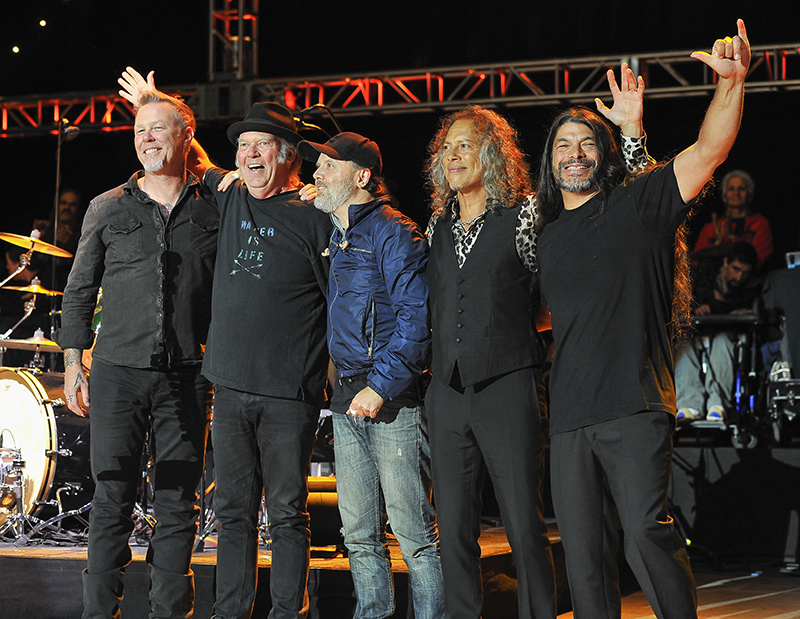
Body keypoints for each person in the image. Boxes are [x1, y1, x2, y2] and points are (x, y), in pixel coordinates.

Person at [535, 20, 750, 619]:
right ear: (550, 163)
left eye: (586, 144)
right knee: (582, 557)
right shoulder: (547, 239)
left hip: (633, 407)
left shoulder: (641, 203)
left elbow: (710, 151)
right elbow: (547, 318)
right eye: (563, 146)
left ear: (604, 155)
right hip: (570, 417)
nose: (575, 154)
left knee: (645, 537)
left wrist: (730, 85)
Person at [119, 67, 331, 618]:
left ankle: (288, 612)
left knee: (286, 513)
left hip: (289, 391)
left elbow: (341, 299)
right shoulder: (229, 193)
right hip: (231, 388)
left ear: (289, 155)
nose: (250, 154)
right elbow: (185, 150)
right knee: (232, 510)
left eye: (263, 145)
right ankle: (230, 612)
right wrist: (152, 101)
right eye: (243, 145)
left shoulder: (316, 217)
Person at [54, 90, 217, 619]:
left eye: (158, 128)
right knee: (111, 498)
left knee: (177, 504)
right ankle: (99, 613)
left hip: (188, 373)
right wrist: (74, 364)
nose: (146, 139)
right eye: (139, 131)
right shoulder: (107, 206)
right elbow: (78, 290)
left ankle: (171, 613)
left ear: (185, 137)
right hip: (117, 374)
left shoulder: (215, 202)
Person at [297, 132, 442, 618]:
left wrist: (381, 387)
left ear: (361, 177)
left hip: (391, 398)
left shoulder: (393, 230)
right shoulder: (337, 235)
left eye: (328, 168)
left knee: (414, 535)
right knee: (358, 535)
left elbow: (416, 317)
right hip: (346, 397)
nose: (316, 175)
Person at [675, 241, 761, 421]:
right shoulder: (701, 276)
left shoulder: (751, 287)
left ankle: (717, 405)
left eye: (744, 273)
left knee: (722, 344)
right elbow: (684, 302)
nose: (739, 277)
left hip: (726, 334)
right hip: (697, 332)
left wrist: (714, 305)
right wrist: (700, 307)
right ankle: (689, 406)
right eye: (736, 269)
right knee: (684, 346)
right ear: (725, 262)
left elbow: (745, 309)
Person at [693, 169, 772, 269]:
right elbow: (695, 263)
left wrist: (733, 239)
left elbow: (760, 259)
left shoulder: (759, 224)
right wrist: (717, 246)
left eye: (741, 189)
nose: (736, 193)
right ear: (724, 196)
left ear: (749, 195)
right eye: (731, 189)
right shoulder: (711, 227)